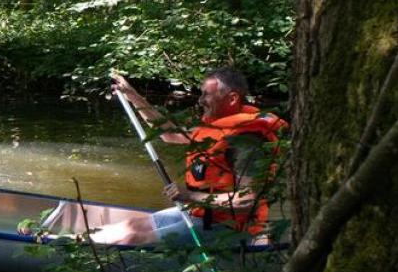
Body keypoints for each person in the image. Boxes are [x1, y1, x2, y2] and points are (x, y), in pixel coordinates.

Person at [101, 68, 287, 245]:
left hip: (227, 228)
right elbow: (169, 134)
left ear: (232, 98)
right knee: (127, 227)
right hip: (201, 215)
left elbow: (248, 200)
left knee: (131, 240)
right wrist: (133, 96)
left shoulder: (248, 142)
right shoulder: (216, 129)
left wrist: (190, 195)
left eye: (207, 94)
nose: (200, 100)